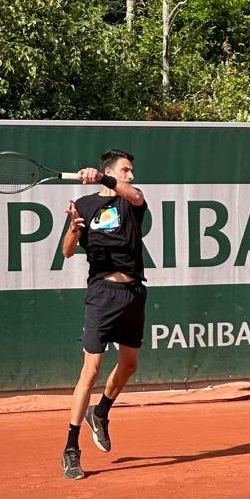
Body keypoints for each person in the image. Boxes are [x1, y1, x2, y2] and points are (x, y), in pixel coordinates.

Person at [60, 149, 148, 480]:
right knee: (91, 369)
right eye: (126, 170)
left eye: (131, 170)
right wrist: (73, 229)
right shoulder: (83, 205)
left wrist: (104, 179)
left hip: (133, 292)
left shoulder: (131, 200)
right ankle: (71, 448)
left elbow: (136, 195)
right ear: (111, 169)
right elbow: (68, 251)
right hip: (101, 294)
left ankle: (101, 412)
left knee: (129, 365)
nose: (131, 175)